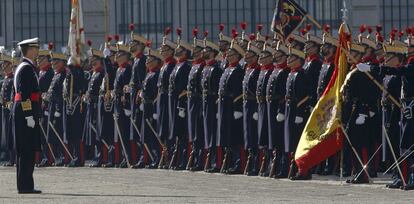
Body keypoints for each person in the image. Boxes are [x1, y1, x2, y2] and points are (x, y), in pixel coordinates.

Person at [13, 37, 42, 194]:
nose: (37, 51)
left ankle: (25, 184)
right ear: (30, 50)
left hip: (23, 111)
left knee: (26, 150)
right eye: (35, 48)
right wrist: (29, 115)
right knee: (26, 150)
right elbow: (24, 95)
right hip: (25, 113)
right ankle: (25, 186)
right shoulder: (26, 68)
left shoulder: (24, 67)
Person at [217, 32, 244, 174]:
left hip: (232, 106)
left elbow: (238, 91)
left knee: (233, 136)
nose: (228, 55)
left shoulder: (238, 71)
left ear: (237, 56)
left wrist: (237, 108)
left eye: (231, 53)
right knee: (226, 135)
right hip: (224, 106)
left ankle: (237, 163)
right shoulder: (228, 69)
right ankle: (228, 162)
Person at [168, 28, 191, 170]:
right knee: (176, 133)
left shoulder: (185, 67)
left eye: (179, 49)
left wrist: (182, 106)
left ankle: (183, 160)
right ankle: (177, 160)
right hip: (173, 102)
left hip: (180, 104)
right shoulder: (177, 65)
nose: (176, 51)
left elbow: (184, 88)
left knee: (182, 134)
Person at [266, 41, 290, 178]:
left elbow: (284, 94)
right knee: (274, 139)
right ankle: (274, 165)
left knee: (281, 139)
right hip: (271, 107)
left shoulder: (286, 71)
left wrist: (281, 110)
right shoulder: (276, 69)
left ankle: (283, 167)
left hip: (279, 109)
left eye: (277, 53)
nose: (274, 54)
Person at [201, 33, 223, 173]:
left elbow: (218, 90)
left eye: (206, 50)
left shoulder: (217, 69)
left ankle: (216, 162)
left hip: (213, 103)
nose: (203, 52)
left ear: (213, 53)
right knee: (208, 133)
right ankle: (210, 160)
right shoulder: (206, 68)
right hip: (205, 103)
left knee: (214, 134)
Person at [127, 24, 148, 168]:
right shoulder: (136, 60)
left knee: (141, 127)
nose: (130, 45)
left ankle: (144, 157)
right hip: (133, 95)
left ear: (140, 45)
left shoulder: (141, 60)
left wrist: (140, 96)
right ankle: (140, 157)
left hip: (138, 96)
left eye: (133, 43)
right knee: (135, 128)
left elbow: (142, 81)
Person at [156, 28, 177, 169]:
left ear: (170, 51)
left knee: (169, 128)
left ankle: (170, 156)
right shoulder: (164, 65)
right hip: (162, 98)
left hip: (168, 98)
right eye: (161, 50)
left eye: (164, 50)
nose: (161, 53)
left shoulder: (171, 65)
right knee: (162, 127)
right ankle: (165, 156)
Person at [140, 43, 162, 169]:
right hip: (146, 106)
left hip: (152, 107)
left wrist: (155, 109)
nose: (147, 61)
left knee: (153, 135)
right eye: (147, 59)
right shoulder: (149, 73)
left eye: (150, 59)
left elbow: (157, 94)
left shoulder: (156, 74)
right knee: (147, 134)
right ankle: (152, 158)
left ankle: (157, 158)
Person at [186, 29, 206, 171]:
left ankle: (199, 160)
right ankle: (195, 157)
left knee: (199, 132)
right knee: (193, 132)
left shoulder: (202, 66)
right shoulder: (194, 66)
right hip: (191, 101)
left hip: (198, 102)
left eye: (196, 50)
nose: (194, 52)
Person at [241, 34, 260, 176]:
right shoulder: (248, 69)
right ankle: (251, 161)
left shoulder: (257, 70)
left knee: (254, 135)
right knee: (248, 135)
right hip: (246, 104)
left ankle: (256, 164)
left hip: (254, 104)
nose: (246, 56)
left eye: (249, 54)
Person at [84, 41, 105, 167]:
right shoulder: (94, 73)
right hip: (91, 104)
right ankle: (97, 156)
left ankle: (101, 156)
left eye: (95, 60)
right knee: (93, 132)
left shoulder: (102, 73)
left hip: (98, 104)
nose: (93, 63)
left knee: (98, 132)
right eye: (92, 61)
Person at [36, 45, 54, 167]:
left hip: (46, 106)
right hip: (39, 105)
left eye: (40, 59)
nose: (38, 61)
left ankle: (49, 157)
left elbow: (50, 91)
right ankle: (43, 156)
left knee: (47, 134)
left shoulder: (50, 73)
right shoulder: (40, 72)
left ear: (46, 60)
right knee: (41, 134)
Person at [0, 53, 15, 167]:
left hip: (10, 109)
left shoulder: (12, 78)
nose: (3, 66)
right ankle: (8, 156)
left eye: (5, 64)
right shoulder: (6, 78)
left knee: (11, 133)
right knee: (5, 133)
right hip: (4, 108)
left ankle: (12, 157)